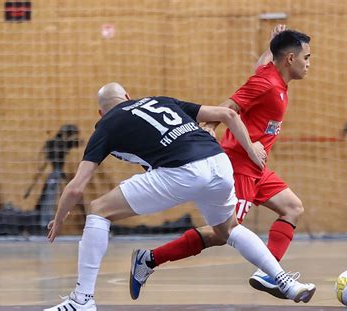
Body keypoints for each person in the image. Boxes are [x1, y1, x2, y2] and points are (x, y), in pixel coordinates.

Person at [44, 82, 316, 311]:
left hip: (183, 171)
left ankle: (82, 300)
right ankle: (284, 281)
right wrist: (252, 150)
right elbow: (228, 115)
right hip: (219, 163)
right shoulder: (159, 100)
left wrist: (59, 219)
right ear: (128, 97)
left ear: (100, 112)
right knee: (229, 228)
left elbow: (76, 187)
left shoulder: (106, 126)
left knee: (98, 209)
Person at [133, 26, 312, 300]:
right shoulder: (267, 83)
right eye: (306, 57)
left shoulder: (271, 75)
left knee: (292, 207)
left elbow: (262, 65)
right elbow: (229, 106)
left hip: (258, 168)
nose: (308, 64)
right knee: (223, 232)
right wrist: (211, 126)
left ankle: (269, 274)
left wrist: (272, 42)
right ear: (290, 59)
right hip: (240, 165)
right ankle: (149, 259)